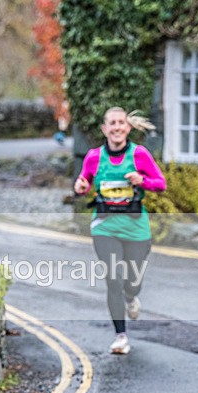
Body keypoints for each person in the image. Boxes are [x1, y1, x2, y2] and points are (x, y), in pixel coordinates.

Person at [74, 107, 166, 355]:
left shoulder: (140, 155)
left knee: (131, 283)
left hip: (136, 227)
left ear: (128, 128)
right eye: (111, 123)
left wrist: (141, 181)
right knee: (113, 279)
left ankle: (131, 296)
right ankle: (120, 336)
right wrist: (81, 186)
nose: (116, 127)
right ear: (105, 129)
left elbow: (161, 184)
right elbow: (83, 182)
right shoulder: (94, 156)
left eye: (121, 123)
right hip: (105, 226)